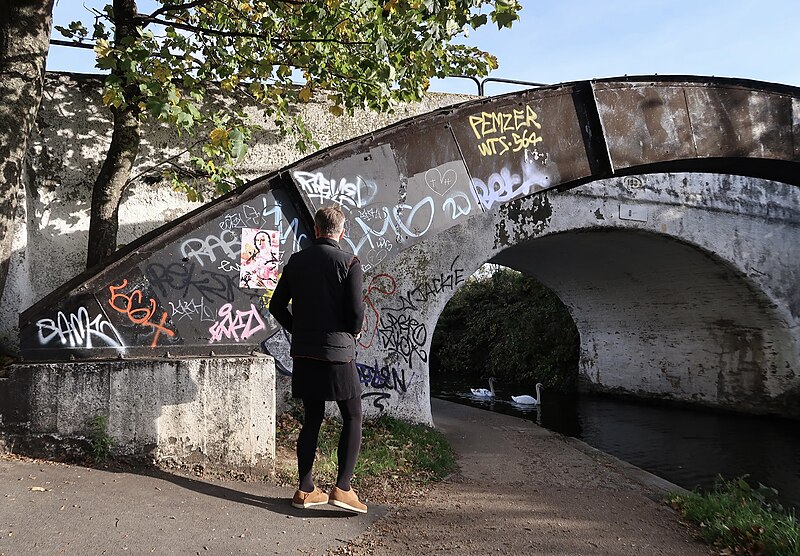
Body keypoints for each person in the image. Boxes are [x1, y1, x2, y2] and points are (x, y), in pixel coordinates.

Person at [269, 206, 368, 514]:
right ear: (341, 231)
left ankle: (305, 489)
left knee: (312, 417)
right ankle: (344, 489)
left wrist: (298, 328)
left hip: (305, 352)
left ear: (315, 230)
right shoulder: (350, 262)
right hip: (338, 353)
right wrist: (352, 331)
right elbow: (355, 313)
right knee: (352, 415)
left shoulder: (297, 262)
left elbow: (276, 306)